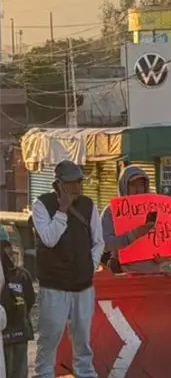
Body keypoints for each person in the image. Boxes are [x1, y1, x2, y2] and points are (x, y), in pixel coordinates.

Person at [31, 159, 104, 378]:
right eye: (71, 182)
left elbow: (98, 242)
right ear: (59, 184)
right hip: (54, 286)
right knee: (49, 339)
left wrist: (89, 266)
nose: (77, 187)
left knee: (83, 342)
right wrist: (62, 210)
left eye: (79, 181)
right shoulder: (41, 205)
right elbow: (49, 239)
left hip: (83, 286)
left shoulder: (89, 205)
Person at [99, 166, 159, 274]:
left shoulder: (155, 209)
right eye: (132, 185)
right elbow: (104, 244)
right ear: (123, 186)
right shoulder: (111, 211)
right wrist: (133, 235)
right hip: (123, 275)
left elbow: (165, 239)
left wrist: (163, 256)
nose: (138, 189)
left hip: (154, 275)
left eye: (141, 185)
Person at [2, 227, 36, 378]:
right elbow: (29, 300)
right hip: (14, 333)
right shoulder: (22, 275)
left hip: (15, 334)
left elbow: (30, 300)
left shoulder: (22, 275)